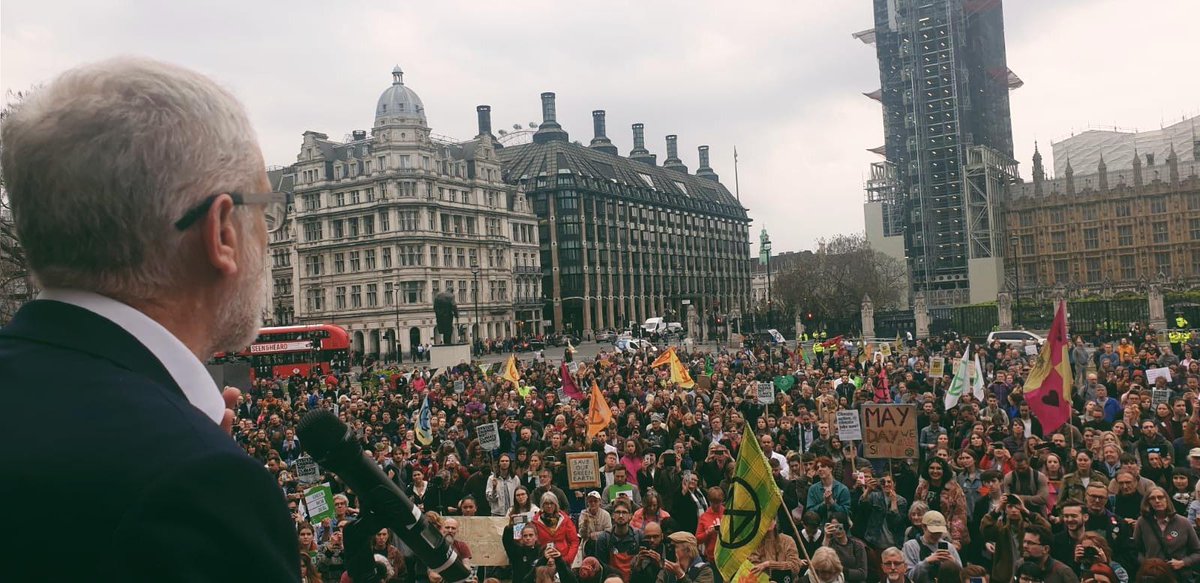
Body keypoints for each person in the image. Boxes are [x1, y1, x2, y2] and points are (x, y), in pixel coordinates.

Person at [0, 57, 299, 580]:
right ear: (222, 231)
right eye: (264, 211)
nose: (269, 236)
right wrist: (191, 459)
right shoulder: (199, 487)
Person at [1132, 487, 1200, 580]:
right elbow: (1135, 550)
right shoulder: (1142, 522)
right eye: (1152, 498)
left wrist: (1183, 562)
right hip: (1153, 576)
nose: (1157, 501)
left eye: (1160, 497)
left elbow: (1197, 552)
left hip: (1178, 575)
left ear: (1167, 499)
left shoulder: (1183, 522)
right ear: (1147, 502)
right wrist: (1147, 564)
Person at [588, 498, 643, 581]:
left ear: (630, 516)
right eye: (618, 512)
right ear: (612, 515)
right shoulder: (604, 539)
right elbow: (602, 569)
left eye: (624, 512)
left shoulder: (638, 536)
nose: (621, 515)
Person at [901, 511, 963, 582]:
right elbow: (908, 576)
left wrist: (953, 564)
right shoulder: (911, 546)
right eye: (933, 532)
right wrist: (927, 562)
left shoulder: (949, 547)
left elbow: (962, 575)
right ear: (924, 527)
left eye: (939, 532)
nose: (936, 536)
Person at [532, 491, 580, 565]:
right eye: (546, 504)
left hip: (563, 558)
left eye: (552, 503)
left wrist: (568, 559)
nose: (549, 506)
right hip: (544, 560)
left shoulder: (565, 519)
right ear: (542, 505)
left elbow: (574, 541)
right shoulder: (535, 521)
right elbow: (533, 543)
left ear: (556, 504)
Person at [824, 511, 869, 582]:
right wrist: (826, 537)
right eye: (834, 527)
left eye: (839, 527)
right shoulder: (829, 543)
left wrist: (839, 570)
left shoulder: (857, 545)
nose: (837, 530)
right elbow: (822, 563)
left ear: (845, 526)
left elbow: (863, 574)